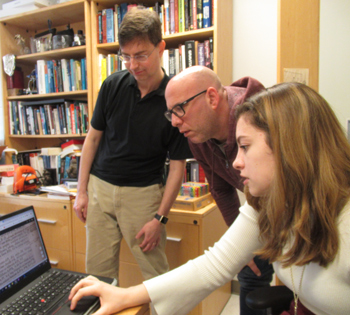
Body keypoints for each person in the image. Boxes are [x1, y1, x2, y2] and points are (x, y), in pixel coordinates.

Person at [69, 82, 350, 315]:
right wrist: (127, 295)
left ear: (289, 147)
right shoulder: (268, 205)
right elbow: (212, 266)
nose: (236, 164)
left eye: (245, 147)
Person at [73, 6, 192, 284]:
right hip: (100, 190)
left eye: (140, 55)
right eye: (126, 56)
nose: (133, 65)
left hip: (143, 196)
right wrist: (81, 192)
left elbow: (177, 167)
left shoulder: (174, 97)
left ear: (160, 48)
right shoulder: (112, 85)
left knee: (156, 278)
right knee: (97, 277)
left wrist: (159, 219)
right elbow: (92, 139)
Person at [164, 66, 274, 315]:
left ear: (212, 98)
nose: (174, 121)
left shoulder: (263, 116)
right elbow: (220, 188)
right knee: (250, 270)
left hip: (297, 212)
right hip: (258, 211)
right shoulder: (198, 138)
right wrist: (241, 243)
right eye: (170, 113)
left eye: (179, 109)